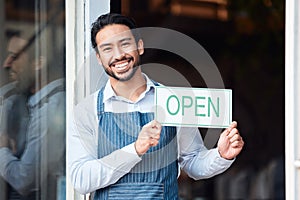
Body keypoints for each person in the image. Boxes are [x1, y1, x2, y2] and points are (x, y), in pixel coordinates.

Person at [68, 13, 244, 199]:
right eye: (107, 48)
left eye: (125, 44)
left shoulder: (173, 101)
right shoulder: (87, 111)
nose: (118, 55)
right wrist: (135, 149)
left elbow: (193, 162)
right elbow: (81, 179)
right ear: (98, 57)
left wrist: (221, 155)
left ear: (140, 46)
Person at [0, 32, 66, 200]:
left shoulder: (51, 109)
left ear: (38, 63)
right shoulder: (18, 99)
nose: (7, 64)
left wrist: (2, 149)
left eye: (15, 57)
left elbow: (25, 180)